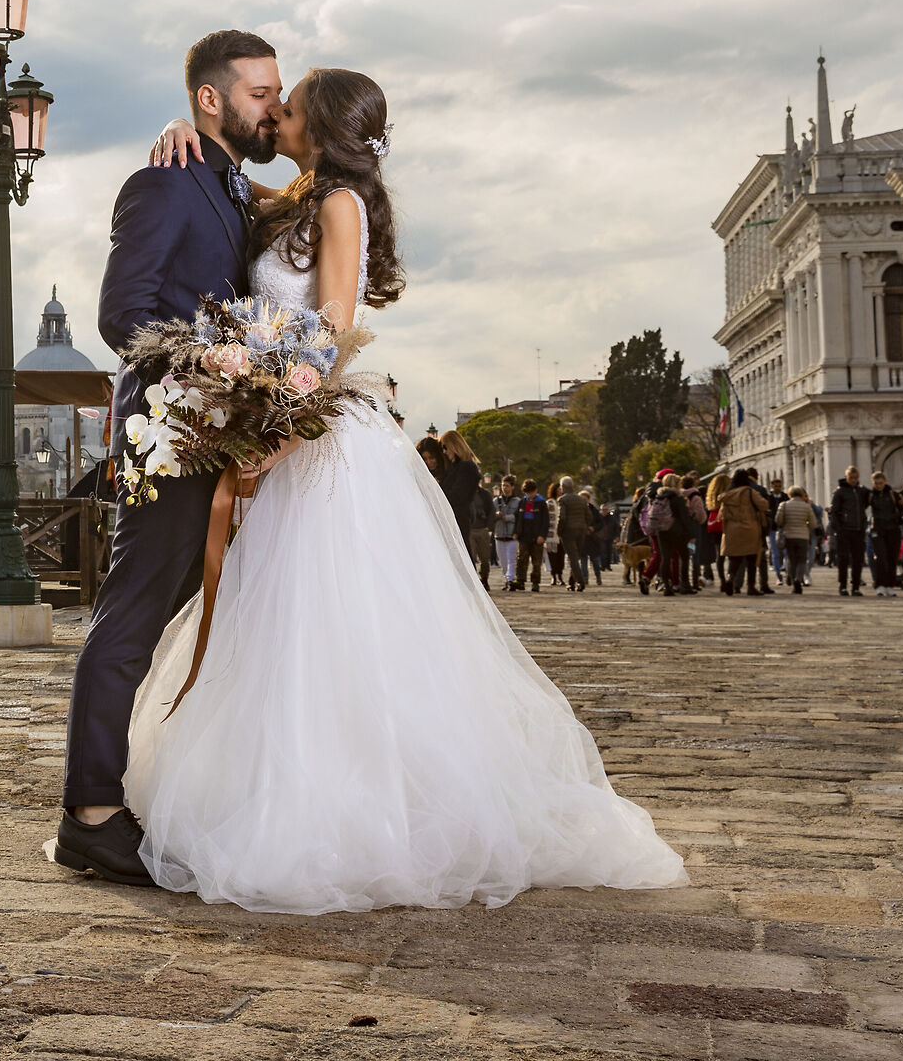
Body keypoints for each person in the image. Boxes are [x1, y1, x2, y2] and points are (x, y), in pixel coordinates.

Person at [118, 68, 686, 912]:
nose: (276, 114)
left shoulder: (339, 205)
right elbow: (231, 181)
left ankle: (352, 807)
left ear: (320, 126)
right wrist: (186, 132)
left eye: (289, 105)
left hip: (318, 441)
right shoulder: (303, 195)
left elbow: (332, 329)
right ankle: (288, 785)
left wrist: (282, 428)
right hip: (292, 431)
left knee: (332, 619)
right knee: (288, 619)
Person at [56, 30, 282, 886]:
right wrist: (217, 365)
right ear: (211, 100)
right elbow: (122, 316)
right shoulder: (162, 182)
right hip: (172, 435)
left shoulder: (236, 187)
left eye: (278, 92)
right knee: (131, 620)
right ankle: (89, 813)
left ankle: (174, 790)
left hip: (225, 442)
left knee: (201, 624)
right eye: (260, 93)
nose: (274, 107)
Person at [717, 467, 774, 596]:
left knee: (735, 559)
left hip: (732, 530)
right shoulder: (749, 492)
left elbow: (722, 514)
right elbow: (764, 505)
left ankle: (731, 580)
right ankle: (751, 587)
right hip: (750, 528)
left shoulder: (728, 495)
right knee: (751, 559)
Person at [829, 465, 870, 597]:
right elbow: (833, 512)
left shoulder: (861, 491)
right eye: (851, 477)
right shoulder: (840, 492)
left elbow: (870, 499)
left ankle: (856, 586)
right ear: (846, 477)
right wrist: (838, 528)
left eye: (855, 478)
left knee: (858, 559)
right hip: (844, 530)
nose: (853, 480)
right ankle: (842, 586)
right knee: (843, 559)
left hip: (858, 530)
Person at [867, 469, 903, 597]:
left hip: (892, 528)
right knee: (881, 557)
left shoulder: (893, 495)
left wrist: (901, 506)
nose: (879, 486)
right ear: (873, 483)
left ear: (885, 482)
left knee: (892, 558)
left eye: (880, 483)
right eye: (876, 483)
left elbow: (902, 510)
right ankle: (880, 584)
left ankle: (889, 585)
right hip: (877, 529)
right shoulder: (870, 495)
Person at [552, 477, 592, 592]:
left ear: (562, 487)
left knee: (573, 558)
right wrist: (585, 526)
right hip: (581, 531)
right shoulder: (581, 499)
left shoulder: (562, 500)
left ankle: (580, 581)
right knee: (576, 557)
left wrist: (559, 531)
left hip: (568, 532)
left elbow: (562, 517)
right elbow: (589, 516)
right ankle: (571, 582)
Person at [775, 486, 816, 592]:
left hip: (789, 536)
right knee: (802, 560)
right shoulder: (807, 507)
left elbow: (778, 521)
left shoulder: (784, 505)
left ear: (790, 494)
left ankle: (792, 579)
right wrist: (805, 525)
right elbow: (813, 524)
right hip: (803, 536)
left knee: (791, 559)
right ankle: (799, 578)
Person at [493, 473, 521, 591]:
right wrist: (497, 515)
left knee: (511, 560)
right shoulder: (496, 501)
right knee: (503, 561)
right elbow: (491, 515)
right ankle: (507, 578)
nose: (505, 488)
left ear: (512, 487)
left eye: (507, 485)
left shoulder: (518, 501)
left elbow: (519, 517)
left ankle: (510, 580)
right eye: (503, 485)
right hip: (499, 534)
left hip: (512, 535)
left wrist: (507, 518)